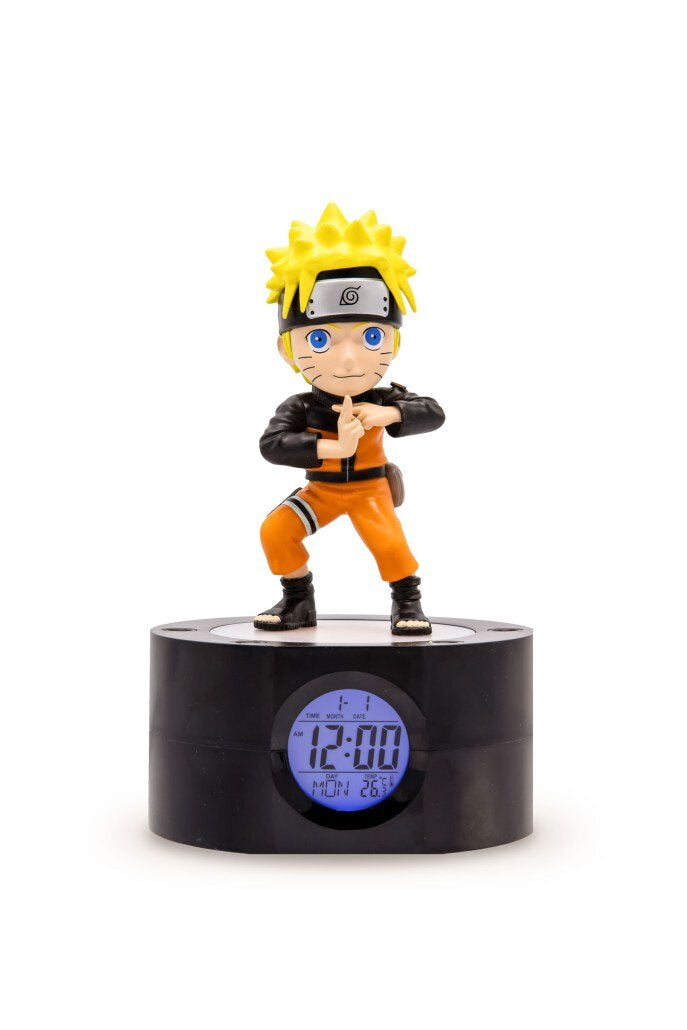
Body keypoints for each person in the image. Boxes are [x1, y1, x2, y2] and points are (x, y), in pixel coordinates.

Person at [255, 203, 445, 635]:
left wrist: (388, 412)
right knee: (276, 530)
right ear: (288, 350)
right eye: (321, 340)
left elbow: (433, 412)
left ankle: (408, 601)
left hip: (369, 490)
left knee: (390, 544)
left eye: (370, 337)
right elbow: (272, 445)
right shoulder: (301, 406)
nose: (347, 359)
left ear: (394, 343)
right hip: (321, 491)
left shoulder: (383, 397)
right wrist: (332, 447)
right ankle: (298, 598)